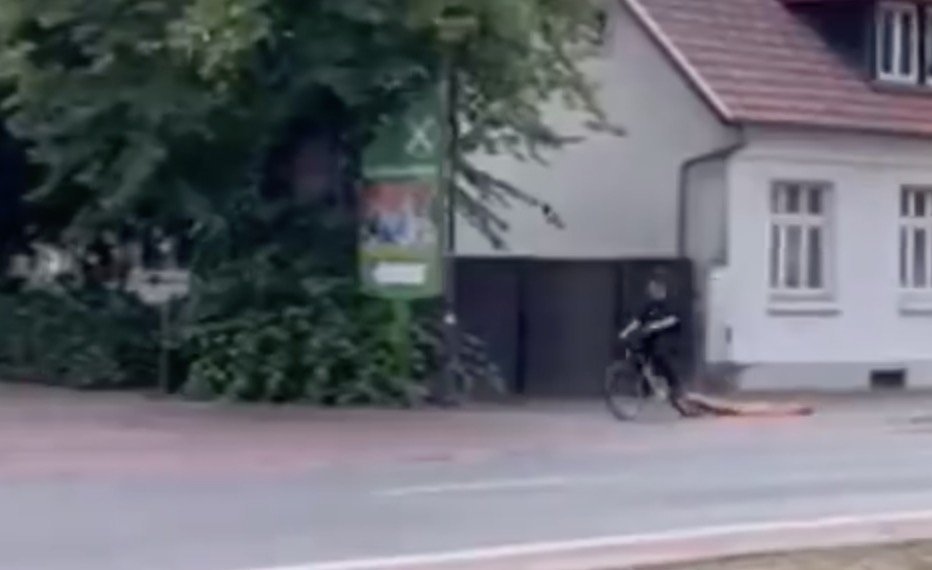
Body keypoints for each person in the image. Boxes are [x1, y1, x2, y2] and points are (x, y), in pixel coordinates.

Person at [618, 272, 684, 401]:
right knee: (637, 356)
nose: (652, 291)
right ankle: (646, 387)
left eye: (654, 288)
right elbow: (638, 321)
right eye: (650, 289)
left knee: (660, 356)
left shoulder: (670, 303)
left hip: (668, 338)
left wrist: (656, 325)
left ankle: (675, 385)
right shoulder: (650, 305)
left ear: (661, 289)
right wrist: (625, 332)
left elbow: (673, 319)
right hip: (651, 338)